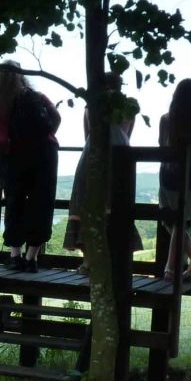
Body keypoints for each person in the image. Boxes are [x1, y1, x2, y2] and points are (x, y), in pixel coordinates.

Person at [0, 61, 61, 273]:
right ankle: (31, 257)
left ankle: (14, 256)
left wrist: (7, 142)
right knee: (42, 202)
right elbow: (57, 118)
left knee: (14, 201)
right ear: (21, 75)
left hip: (13, 154)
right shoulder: (37, 96)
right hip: (45, 153)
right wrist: (46, 136)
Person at [62, 104, 144, 273]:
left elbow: (88, 135)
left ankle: (88, 261)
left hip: (93, 154)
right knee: (116, 205)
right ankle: (114, 262)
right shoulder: (128, 107)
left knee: (85, 202)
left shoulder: (91, 106)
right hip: (121, 156)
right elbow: (127, 135)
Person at [158, 79, 191, 282]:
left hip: (169, 172)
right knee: (182, 218)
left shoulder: (166, 119)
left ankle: (174, 267)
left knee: (170, 217)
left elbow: (162, 145)